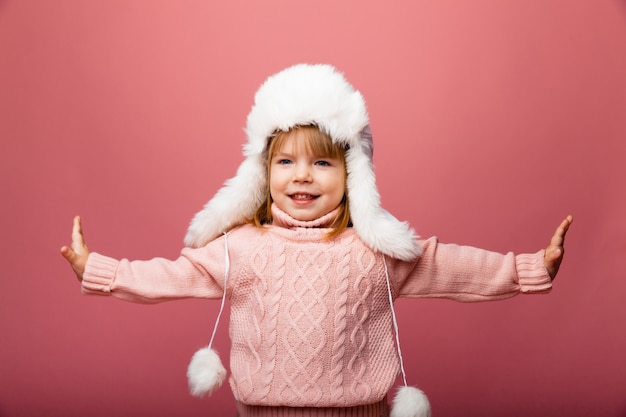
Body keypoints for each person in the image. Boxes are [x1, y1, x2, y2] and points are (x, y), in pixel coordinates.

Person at [61, 63, 573, 417]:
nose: (302, 176)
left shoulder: (373, 252)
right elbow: (172, 275)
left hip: (359, 411)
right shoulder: (242, 245)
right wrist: (101, 270)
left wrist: (529, 268)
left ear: (353, 174)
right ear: (263, 174)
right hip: (261, 410)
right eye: (286, 161)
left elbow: (450, 266)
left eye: (322, 162)